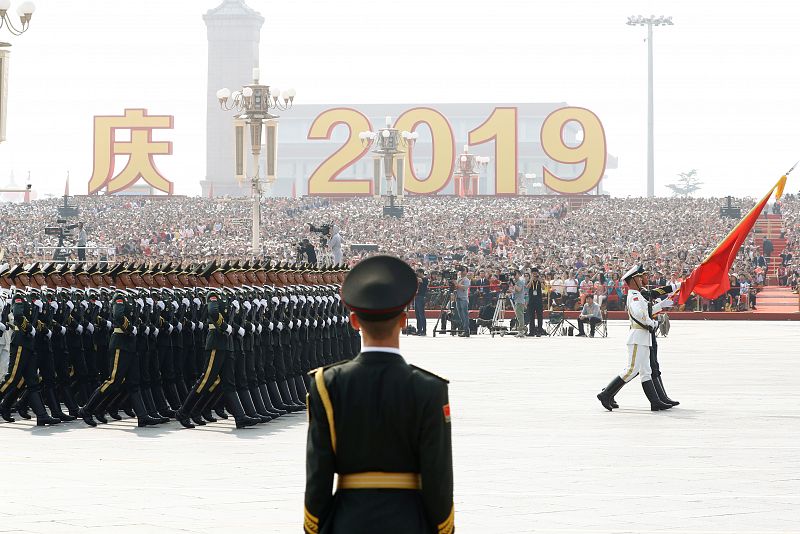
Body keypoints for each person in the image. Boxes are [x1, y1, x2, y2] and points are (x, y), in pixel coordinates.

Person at [304, 255, 454, 534]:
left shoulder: (327, 384)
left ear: (353, 321)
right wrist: (442, 528)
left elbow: (318, 474)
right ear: (403, 319)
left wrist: (317, 528)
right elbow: (438, 476)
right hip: (410, 521)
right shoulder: (429, 388)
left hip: (348, 520)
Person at [595, 265, 673, 412]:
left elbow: (646, 310)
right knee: (632, 369)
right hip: (638, 337)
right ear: (632, 281)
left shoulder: (638, 295)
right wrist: (653, 323)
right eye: (638, 277)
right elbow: (640, 315)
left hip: (643, 338)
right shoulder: (635, 296)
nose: (640, 279)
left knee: (646, 370)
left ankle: (655, 402)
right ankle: (605, 394)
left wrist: (661, 305)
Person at [527, 268, 544, 336]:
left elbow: (543, 288)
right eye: (533, 274)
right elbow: (528, 287)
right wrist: (531, 280)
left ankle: (539, 331)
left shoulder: (540, 281)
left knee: (540, 317)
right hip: (531, 301)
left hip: (539, 301)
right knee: (531, 317)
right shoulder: (529, 281)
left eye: (535, 274)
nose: (534, 275)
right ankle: (532, 331)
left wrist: (541, 281)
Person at [511, 269, 527, 338]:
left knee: (520, 316)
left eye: (516, 274)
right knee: (518, 316)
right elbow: (515, 291)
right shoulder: (517, 282)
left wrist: (514, 284)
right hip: (517, 300)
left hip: (519, 301)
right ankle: (522, 329)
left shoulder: (520, 281)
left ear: (519, 274)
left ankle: (521, 330)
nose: (514, 275)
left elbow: (519, 289)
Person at [454, 268, 470, 337]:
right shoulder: (458, 279)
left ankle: (466, 330)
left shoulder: (466, 280)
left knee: (465, 315)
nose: (462, 272)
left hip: (463, 299)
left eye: (463, 270)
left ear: (466, 272)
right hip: (458, 298)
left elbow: (465, 287)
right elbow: (455, 287)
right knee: (461, 315)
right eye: (461, 270)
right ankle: (464, 329)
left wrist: (457, 284)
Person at [414, 268, 428, 336]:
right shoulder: (418, 279)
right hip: (416, 297)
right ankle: (419, 329)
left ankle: (424, 330)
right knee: (417, 314)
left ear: (421, 273)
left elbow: (420, 280)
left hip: (421, 297)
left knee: (421, 314)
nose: (417, 274)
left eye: (418, 273)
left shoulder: (425, 278)